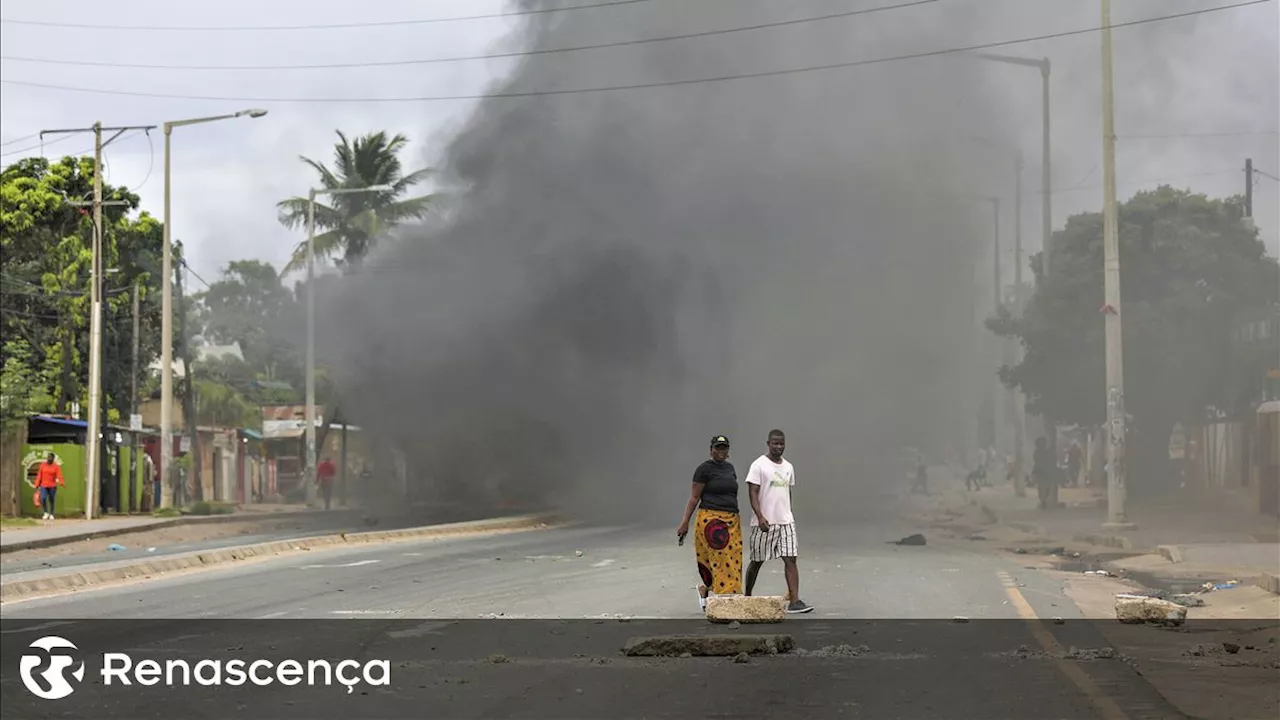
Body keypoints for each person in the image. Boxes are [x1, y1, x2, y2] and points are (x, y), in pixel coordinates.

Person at [743, 430, 813, 614]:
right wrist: (759, 516)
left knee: (790, 558)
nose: (778, 447)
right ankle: (747, 596)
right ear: (768, 443)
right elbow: (753, 492)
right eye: (775, 443)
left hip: (785, 521)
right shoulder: (758, 465)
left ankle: (795, 601)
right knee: (757, 561)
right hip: (765, 522)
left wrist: (788, 512)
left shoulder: (789, 467)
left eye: (781, 444)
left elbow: (788, 492)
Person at [677, 436, 743, 611]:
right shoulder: (704, 469)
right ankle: (725, 602)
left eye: (724, 448)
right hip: (712, 521)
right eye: (718, 447)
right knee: (721, 560)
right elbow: (694, 498)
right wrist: (685, 523)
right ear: (711, 449)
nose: (721, 451)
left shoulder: (730, 468)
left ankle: (706, 589)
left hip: (732, 520)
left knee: (734, 559)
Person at [35, 452, 65, 520]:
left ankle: (51, 514)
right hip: (43, 485)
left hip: (52, 486)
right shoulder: (43, 465)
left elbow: (59, 475)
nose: (49, 458)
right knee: (43, 498)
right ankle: (45, 512)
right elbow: (39, 475)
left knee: (51, 499)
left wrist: (61, 482)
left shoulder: (56, 466)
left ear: (53, 459)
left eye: (51, 457)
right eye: (48, 457)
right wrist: (37, 484)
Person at [1032, 437, 1056, 509]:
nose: (1043, 444)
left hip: (1046, 471)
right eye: (1041, 442)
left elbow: (1051, 460)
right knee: (1041, 487)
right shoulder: (1037, 452)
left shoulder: (1047, 451)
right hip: (1040, 472)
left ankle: (1044, 500)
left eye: (1043, 442)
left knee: (1047, 487)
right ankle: (1043, 500)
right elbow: (1036, 461)